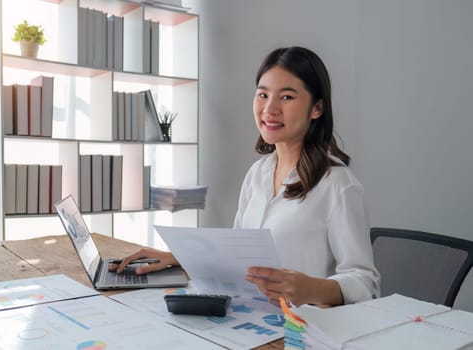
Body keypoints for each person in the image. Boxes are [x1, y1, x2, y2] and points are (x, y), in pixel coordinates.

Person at [110, 46, 380, 308]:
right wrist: (177, 258)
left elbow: (366, 284)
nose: (270, 109)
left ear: (316, 109)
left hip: (304, 329)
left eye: (286, 97)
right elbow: (237, 258)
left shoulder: (338, 184)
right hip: (250, 317)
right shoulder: (258, 174)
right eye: (263, 95)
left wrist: (310, 289)